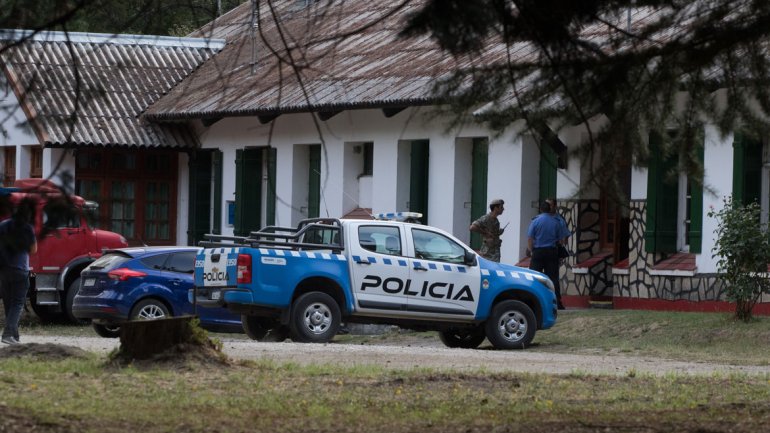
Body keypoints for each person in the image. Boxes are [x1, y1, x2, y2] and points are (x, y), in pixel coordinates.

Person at [0, 197, 38, 345]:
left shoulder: (2, 225)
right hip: (20, 269)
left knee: (9, 303)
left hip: (3, 269)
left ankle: (15, 337)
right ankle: (8, 335)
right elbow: (33, 249)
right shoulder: (26, 227)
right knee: (17, 303)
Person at [527, 199, 570, 310]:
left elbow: (530, 238)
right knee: (553, 278)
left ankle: (531, 301)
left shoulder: (535, 221)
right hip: (552, 251)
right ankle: (557, 303)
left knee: (534, 277)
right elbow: (561, 240)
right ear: (549, 208)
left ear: (540, 209)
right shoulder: (556, 221)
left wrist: (531, 251)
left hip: (538, 252)